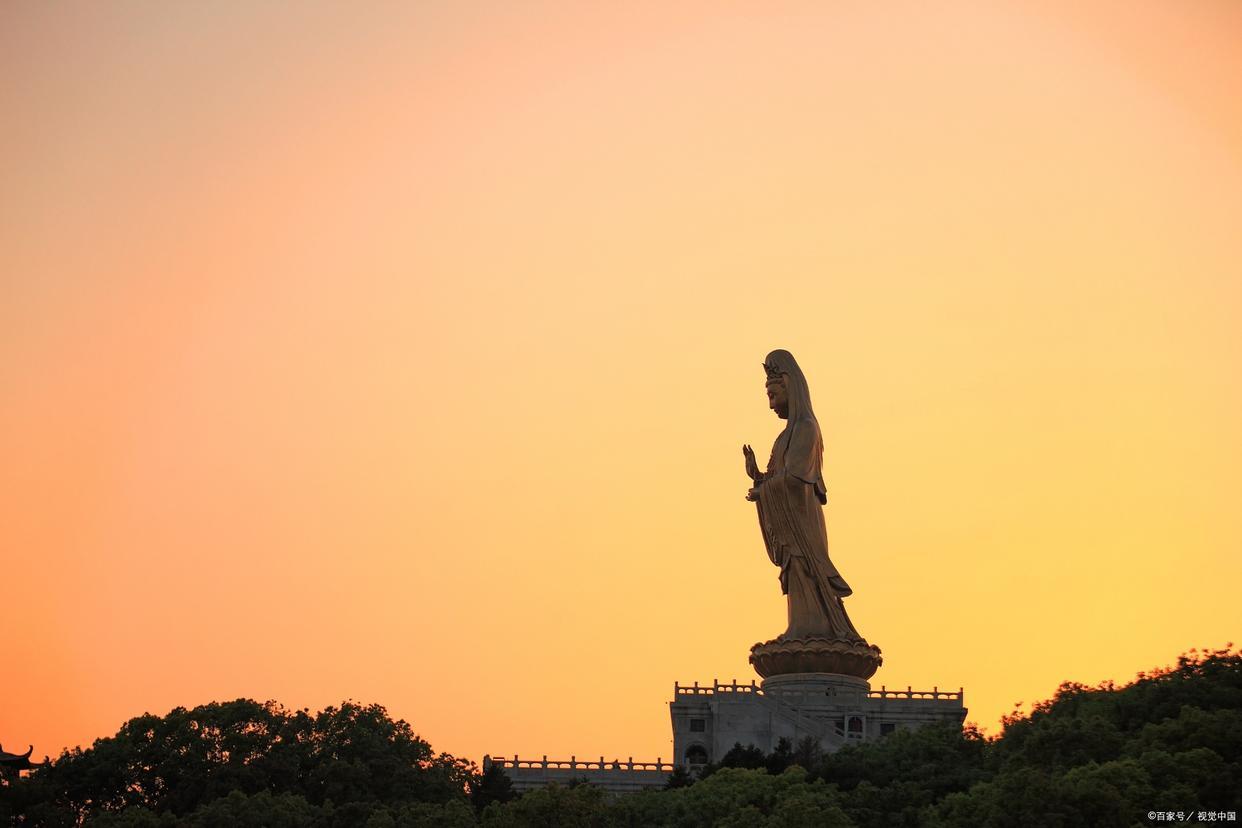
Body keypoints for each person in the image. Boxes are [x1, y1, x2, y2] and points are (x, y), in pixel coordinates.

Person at [743, 350, 865, 642]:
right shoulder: (784, 436)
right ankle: (800, 625)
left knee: (805, 568)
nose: (771, 404)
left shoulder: (806, 428)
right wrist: (759, 477)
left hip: (802, 520)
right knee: (793, 571)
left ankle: (815, 627)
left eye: (774, 395)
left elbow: (796, 479)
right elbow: (778, 478)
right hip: (787, 521)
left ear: (790, 388)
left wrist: (765, 489)